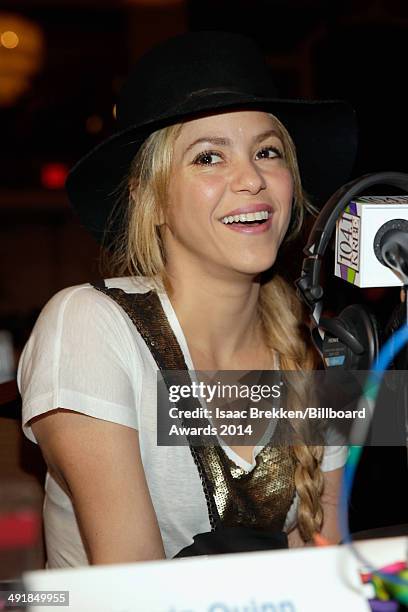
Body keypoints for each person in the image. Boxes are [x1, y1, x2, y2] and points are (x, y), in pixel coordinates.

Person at [17, 31, 357, 568]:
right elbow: (136, 587)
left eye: (267, 151)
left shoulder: (319, 348)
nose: (251, 179)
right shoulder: (90, 326)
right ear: (148, 199)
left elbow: (331, 567)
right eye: (208, 158)